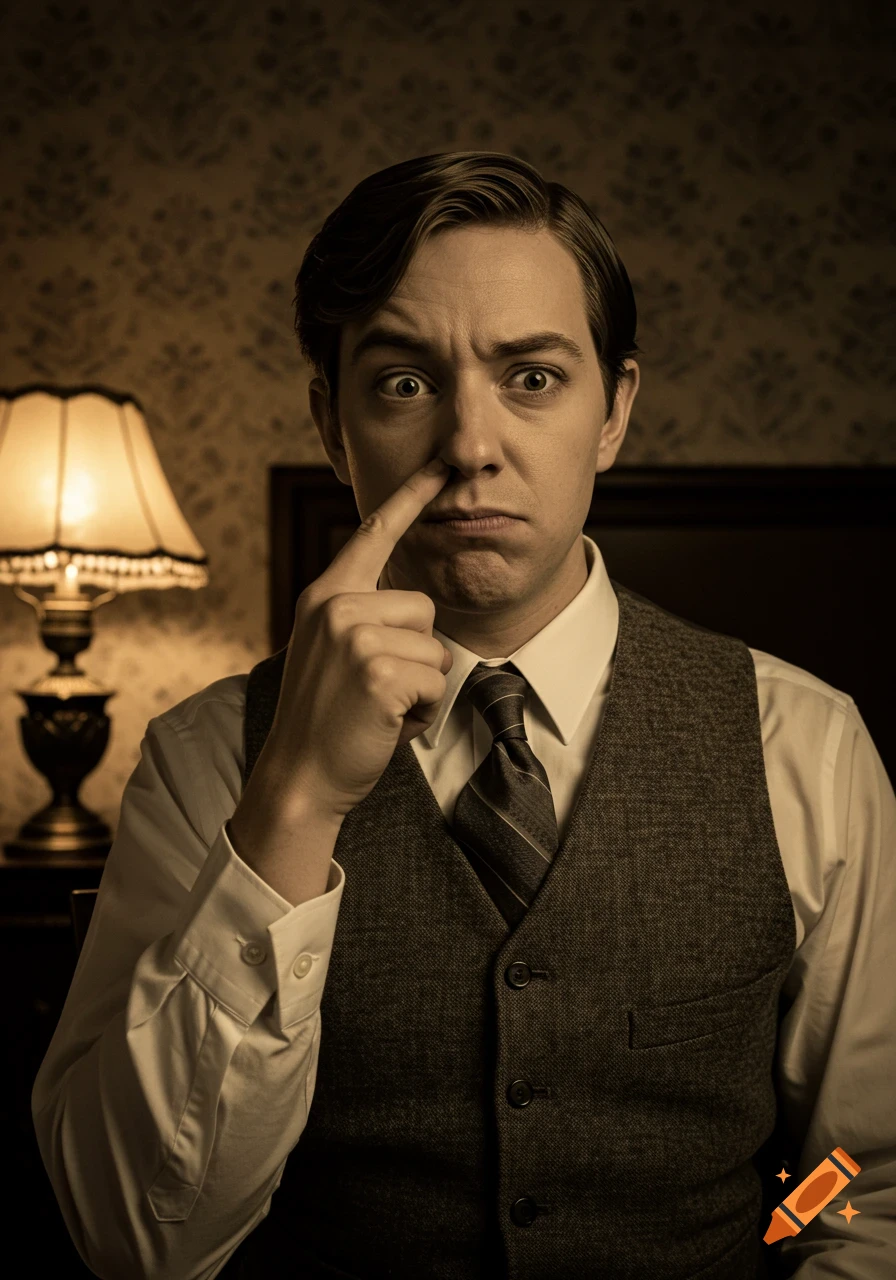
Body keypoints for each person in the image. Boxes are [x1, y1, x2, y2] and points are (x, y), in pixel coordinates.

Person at [33, 152, 895, 1280]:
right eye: (402, 381)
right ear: (333, 424)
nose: (468, 445)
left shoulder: (808, 744)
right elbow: (134, 1243)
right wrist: (289, 808)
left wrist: (781, 1237)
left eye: (530, 377)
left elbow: (859, 1174)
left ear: (612, 412)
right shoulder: (205, 759)